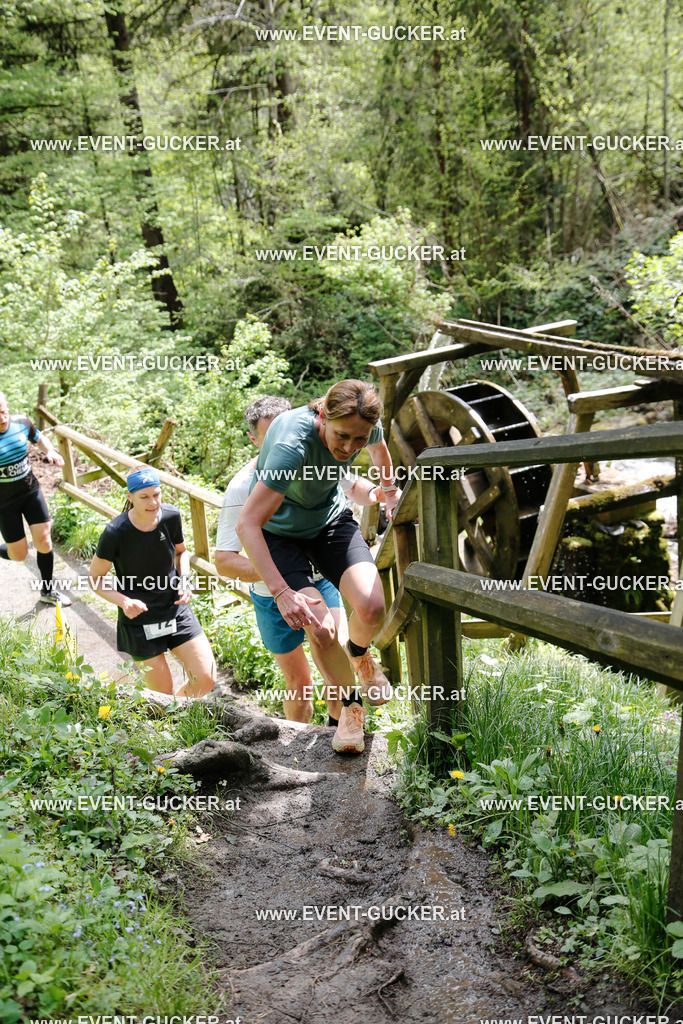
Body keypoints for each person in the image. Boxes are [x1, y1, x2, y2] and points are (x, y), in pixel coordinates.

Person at [236, 380, 400, 754]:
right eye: (342, 436)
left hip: (328, 521)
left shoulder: (365, 423)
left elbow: (380, 452)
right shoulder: (290, 447)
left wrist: (389, 493)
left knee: (372, 606)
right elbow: (247, 524)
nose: (349, 447)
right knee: (322, 628)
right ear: (323, 415)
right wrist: (280, 592)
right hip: (280, 534)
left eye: (358, 439)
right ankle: (351, 710)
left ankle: (359, 654)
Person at [88, 466, 216, 697]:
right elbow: (95, 578)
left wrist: (184, 580)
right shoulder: (115, 532)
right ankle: (166, 716)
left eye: (156, 494)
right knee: (161, 695)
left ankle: (174, 714)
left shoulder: (171, 517)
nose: (153, 502)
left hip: (175, 609)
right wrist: (123, 601)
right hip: (139, 621)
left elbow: (181, 552)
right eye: (144, 497)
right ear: (130, 496)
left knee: (206, 678)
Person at [0, 392, 72, 606]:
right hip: (4, 504)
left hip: (30, 492)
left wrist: (50, 450)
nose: (2, 419)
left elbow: (39, 438)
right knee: (19, 554)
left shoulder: (21, 423)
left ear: (7, 406)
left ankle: (47, 591)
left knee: (44, 541)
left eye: (3, 412)